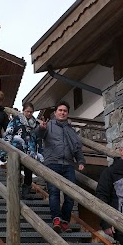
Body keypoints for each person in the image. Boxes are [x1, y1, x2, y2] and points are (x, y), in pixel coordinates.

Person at [36, 100, 85, 233]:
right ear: (55, 112)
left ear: (67, 114)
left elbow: (77, 147)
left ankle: (64, 220)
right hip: (52, 163)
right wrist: (41, 128)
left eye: (65, 111)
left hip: (68, 164)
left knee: (71, 195)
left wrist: (81, 161)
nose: (62, 113)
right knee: (54, 192)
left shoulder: (70, 130)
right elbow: (37, 136)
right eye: (60, 110)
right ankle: (56, 219)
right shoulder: (48, 125)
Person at [0, 101, 42, 198]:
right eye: (27, 111)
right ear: (23, 111)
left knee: (28, 173)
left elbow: (38, 139)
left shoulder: (35, 124)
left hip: (30, 152)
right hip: (16, 150)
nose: (29, 114)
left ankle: (26, 192)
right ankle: (14, 192)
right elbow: (8, 134)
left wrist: (39, 153)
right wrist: (4, 151)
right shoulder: (15, 120)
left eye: (31, 112)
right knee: (15, 171)